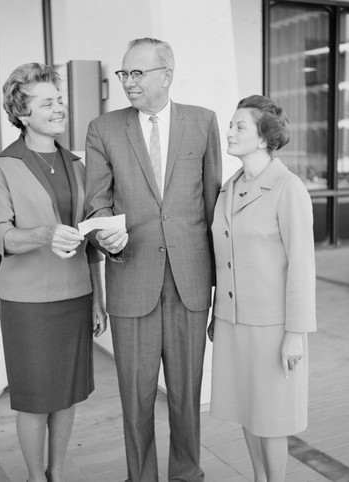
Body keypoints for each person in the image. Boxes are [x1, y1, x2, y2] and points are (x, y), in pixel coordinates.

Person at [84, 38, 222, 481]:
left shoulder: (203, 123)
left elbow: (211, 211)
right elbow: (96, 204)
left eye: (137, 73)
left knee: (186, 394)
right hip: (132, 278)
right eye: (124, 74)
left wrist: (219, 293)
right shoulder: (103, 129)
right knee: (136, 398)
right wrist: (107, 234)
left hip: (191, 283)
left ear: (167, 74)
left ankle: (187, 474)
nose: (128, 82)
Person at [0, 62, 107, 482]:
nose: (59, 108)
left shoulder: (77, 164)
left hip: (75, 297)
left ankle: (57, 474)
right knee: (35, 401)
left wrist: (98, 300)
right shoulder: (4, 165)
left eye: (60, 100)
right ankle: (37, 479)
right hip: (28, 304)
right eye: (47, 102)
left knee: (67, 396)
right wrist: (43, 234)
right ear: (22, 113)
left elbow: (89, 239)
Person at [208, 95, 317, 482]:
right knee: (246, 411)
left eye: (240, 126)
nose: (230, 131)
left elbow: (302, 267)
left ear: (263, 138)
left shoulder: (288, 188)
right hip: (233, 323)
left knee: (271, 419)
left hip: (273, 327)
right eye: (231, 124)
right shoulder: (228, 187)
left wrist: (295, 334)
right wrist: (215, 314)